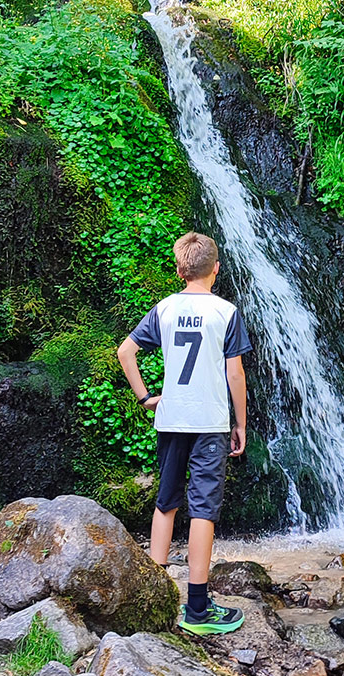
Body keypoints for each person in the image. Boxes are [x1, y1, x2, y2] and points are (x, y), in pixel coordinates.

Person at [117, 231, 251, 635]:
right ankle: (197, 607)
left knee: (166, 502)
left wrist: (145, 398)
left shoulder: (164, 309)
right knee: (203, 509)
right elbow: (234, 372)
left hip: (171, 419)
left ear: (179, 270)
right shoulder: (225, 312)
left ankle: (155, 598)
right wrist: (240, 423)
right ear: (216, 270)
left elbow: (126, 351)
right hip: (209, 422)